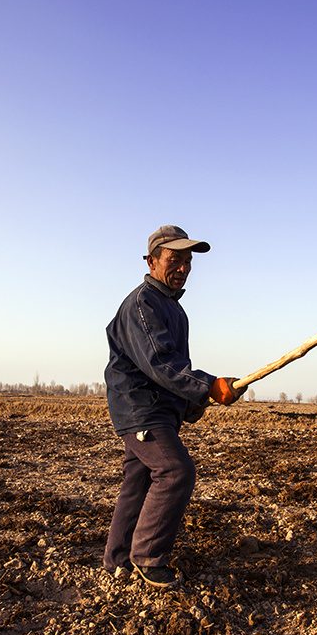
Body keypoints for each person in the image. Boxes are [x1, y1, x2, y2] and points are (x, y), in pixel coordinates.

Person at [102, 225, 242, 588]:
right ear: (151, 261)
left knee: (139, 478)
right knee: (176, 471)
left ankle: (117, 560)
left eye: (188, 261)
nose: (182, 268)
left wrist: (191, 403)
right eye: (174, 259)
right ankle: (147, 557)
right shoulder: (142, 304)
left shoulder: (174, 309)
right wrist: (208, 385)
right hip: (140, 408)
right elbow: (160, 362)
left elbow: (170, 370)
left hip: (158, 408)